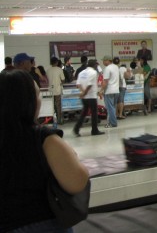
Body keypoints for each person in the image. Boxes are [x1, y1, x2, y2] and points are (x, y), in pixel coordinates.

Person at [0, 69, 90, 232]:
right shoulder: (44, 139)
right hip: (41, 223)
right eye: (38, 94)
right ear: (30, 101)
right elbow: (76, 183)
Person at [74, 59, 105, 137]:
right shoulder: (93, 72)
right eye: (96, 65)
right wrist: (85, 92)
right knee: (94, 114)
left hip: (84, 97)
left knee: (84, 113)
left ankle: (76, 128)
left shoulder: (82, 72)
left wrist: (83, 93)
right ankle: (94, 130)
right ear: (94, 65)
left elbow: (78, 84)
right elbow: (90, 84)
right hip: (91, 96)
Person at [100, 55, 120, 128]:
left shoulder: (107, 69)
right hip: (116, 90)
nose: (103, 62)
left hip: (109, 91)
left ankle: (113, 123)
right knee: (113, 107)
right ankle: (110, 122)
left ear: (107, 61)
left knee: (110, 108)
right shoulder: (116, 67)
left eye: (104, 61)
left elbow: (105, 81)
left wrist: (101, 90)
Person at [47, 56, 65, 125]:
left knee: (52, 106)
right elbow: (63, 79)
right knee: (58, 106)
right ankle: (59, 120)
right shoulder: (59, 69)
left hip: (50, 90)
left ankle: (53, 119)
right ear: (57, 62)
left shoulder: (48, 70)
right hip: (57, 90)